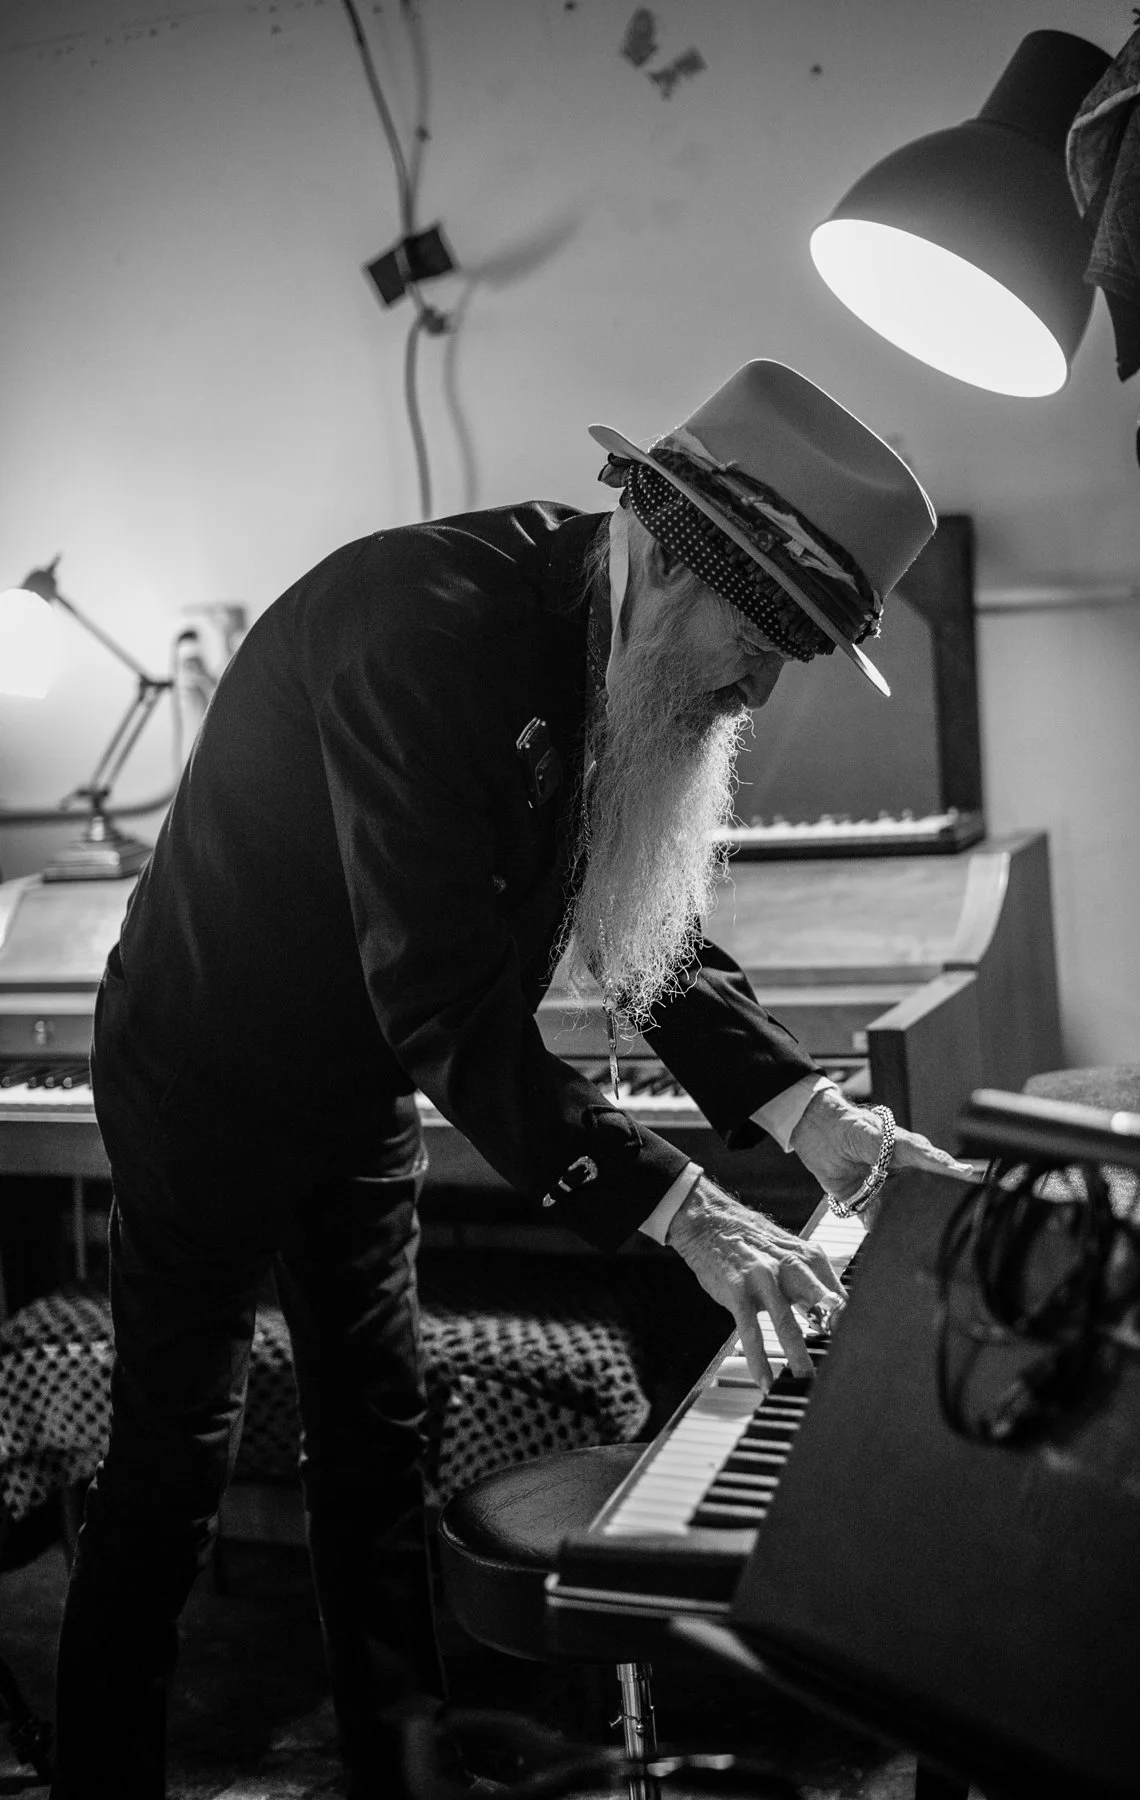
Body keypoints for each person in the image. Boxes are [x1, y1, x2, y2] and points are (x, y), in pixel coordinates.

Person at [49, 359, 971, 1800]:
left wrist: (818, 1118)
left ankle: (398, 1778)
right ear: (670, 554)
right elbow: (446, 1003)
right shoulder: (419, 632)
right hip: (204, 1075)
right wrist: (694, 1217)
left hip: (360, 1086)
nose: (760, 686)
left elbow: (651, 935)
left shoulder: (626, 645)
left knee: (380, 1445)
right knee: (174, 1462)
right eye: (763, 636)